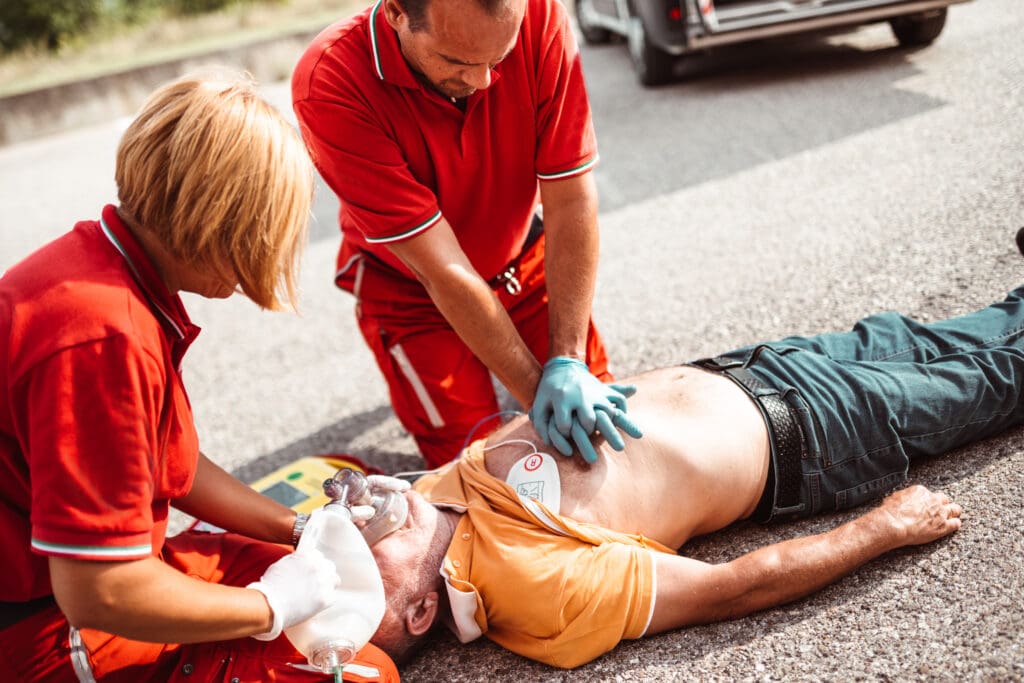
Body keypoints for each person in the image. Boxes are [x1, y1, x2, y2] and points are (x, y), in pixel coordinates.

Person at [364, 273, 1024, 669]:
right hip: (821, 433)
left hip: (761, 365)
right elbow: (733, 586)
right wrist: (885, 527)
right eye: (364, 565)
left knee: (971, 332)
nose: (360, 528)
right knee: (1000, 373)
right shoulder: (534, 592)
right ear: (422, 610)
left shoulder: (429, 503)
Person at [0, 71, 396, 682]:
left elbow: (167, 465)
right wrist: (270, 605)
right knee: (358, 670)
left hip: (66, 589)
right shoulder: (103, 334)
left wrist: (298, 527)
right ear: (220, 217)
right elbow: (96, 591)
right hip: (40, 630)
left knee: (306, 576)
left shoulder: (101, 269)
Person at [291, 0, 641, 468]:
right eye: (457, 61)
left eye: (500, 58)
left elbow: (570, 199)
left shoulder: (540, 14)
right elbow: (443, 270)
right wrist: (535, 394)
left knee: (595, 428)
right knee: (482, 463)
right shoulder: (329, 81)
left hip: (522, 260)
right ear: (397, 12)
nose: (483, 81)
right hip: (414, 293)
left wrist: (569, 361)